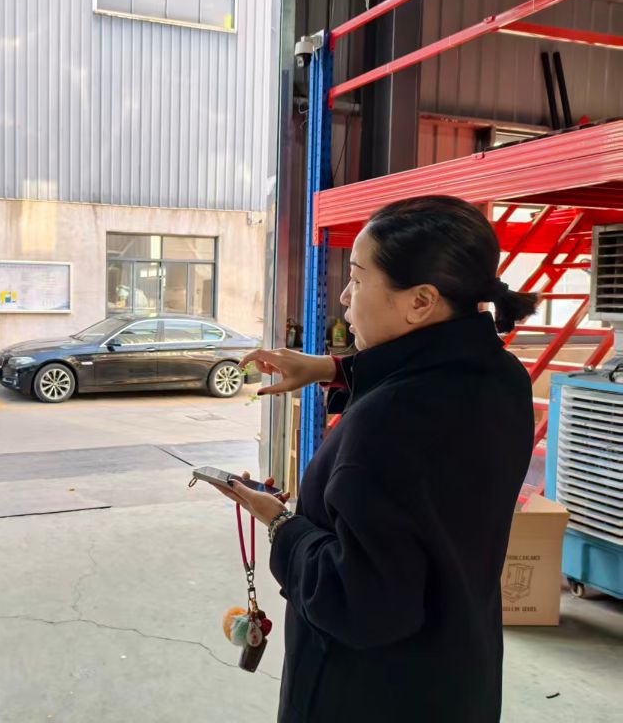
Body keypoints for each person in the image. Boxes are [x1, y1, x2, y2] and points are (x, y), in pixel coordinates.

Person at [218, 196, 538, 723]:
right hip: (458, 672)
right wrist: (330, 369)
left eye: (357, 278)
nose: (345, 296)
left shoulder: (387, 422)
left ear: (421, 301)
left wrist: (282, 525)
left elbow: (358, 602)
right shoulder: (502, 378)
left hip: (367, 693)